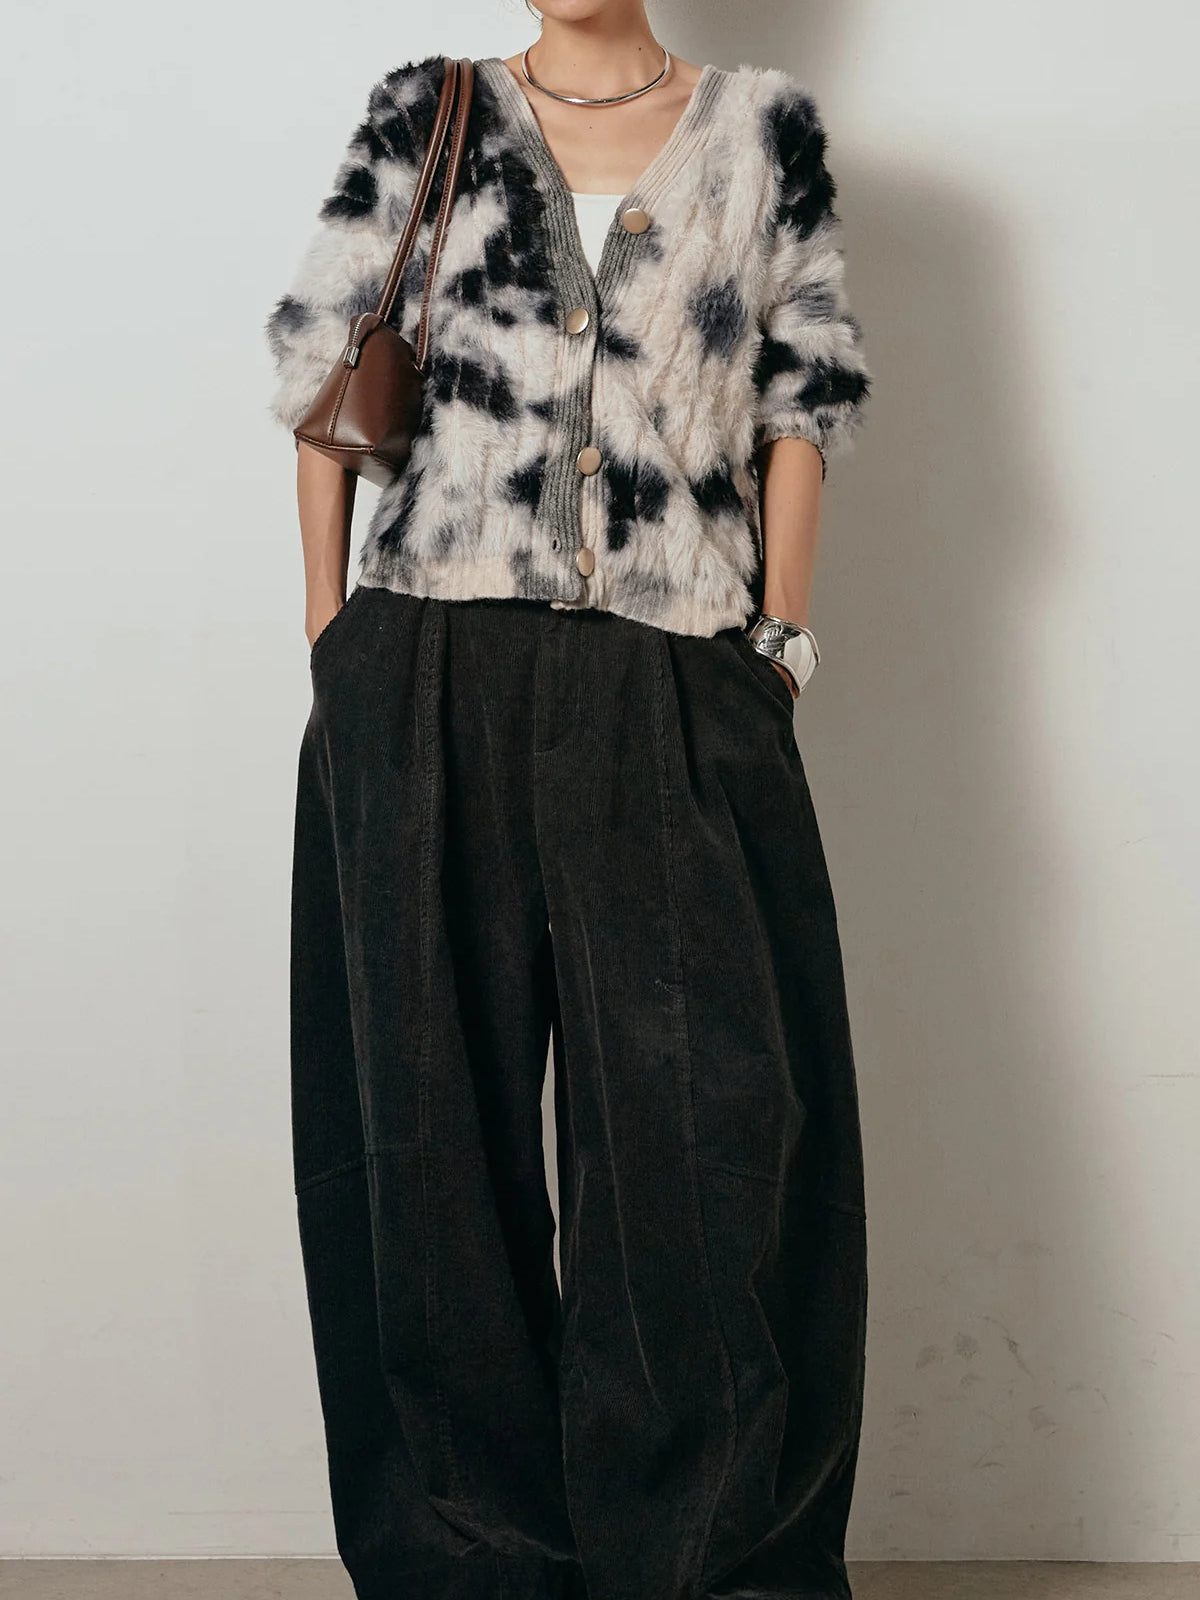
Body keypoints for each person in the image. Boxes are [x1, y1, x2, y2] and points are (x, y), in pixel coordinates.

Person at [264, 4, 871, 1597]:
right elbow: (325, 370)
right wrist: (335, 638)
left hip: (678, 666)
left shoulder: (760, 132)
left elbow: (803, 404)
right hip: (428, 661)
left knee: (703, 1132)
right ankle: (471, 1557)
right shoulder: (428, 111)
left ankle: (708, 1559)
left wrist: (777, 643)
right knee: (427, 1134)